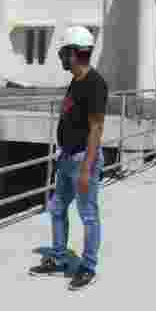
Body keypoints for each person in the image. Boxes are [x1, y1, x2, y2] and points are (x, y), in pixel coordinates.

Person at [28, 25, 107, 291]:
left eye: (62, 51)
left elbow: (96, 128)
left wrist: (86, 170)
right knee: (58, 208)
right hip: (68, 157)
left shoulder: (95, 84)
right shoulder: (77, 80)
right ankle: (60, 258)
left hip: (84, 159)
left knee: (88, 215)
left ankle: (88, 266)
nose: (60, 56)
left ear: (73, 52)